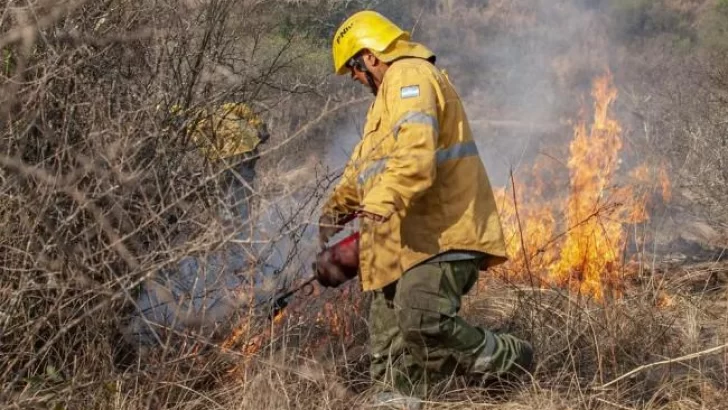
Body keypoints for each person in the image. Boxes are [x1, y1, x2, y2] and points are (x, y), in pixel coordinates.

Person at [316, 10, 534, 407]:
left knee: (421, 316)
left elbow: (415, 158)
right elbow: (364, 170)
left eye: (352, 67)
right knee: (390, 353)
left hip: (441, 235)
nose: (353, 78)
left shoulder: (410, 77)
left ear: (371, 55)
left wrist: (377, 205)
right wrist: (334, 210)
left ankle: (510, 359)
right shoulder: (384, 102)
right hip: (401, 244)